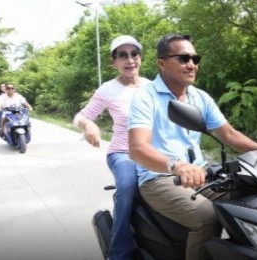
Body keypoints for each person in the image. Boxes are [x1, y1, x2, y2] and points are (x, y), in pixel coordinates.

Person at [128, 33, 257, 260]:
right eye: (183, 58)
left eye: (195, 58)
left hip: (202, 174)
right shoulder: (145, 97)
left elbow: (229, 134)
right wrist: (177, 165)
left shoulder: (199, 97)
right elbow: (137, 148)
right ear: (161, 63)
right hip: (159, 177)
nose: (191, 64)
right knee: (207, 217)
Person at [73, 35, 150, 260]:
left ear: (140, 58)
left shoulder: (151, 86)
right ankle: (119, 252)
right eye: (122, 55)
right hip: (123, 153)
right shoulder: (108, 89)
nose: (130, 60)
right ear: (113, 61)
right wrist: (89, 125)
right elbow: (81, 115)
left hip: (153, 152)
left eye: (134, 54)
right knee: (127, 186)